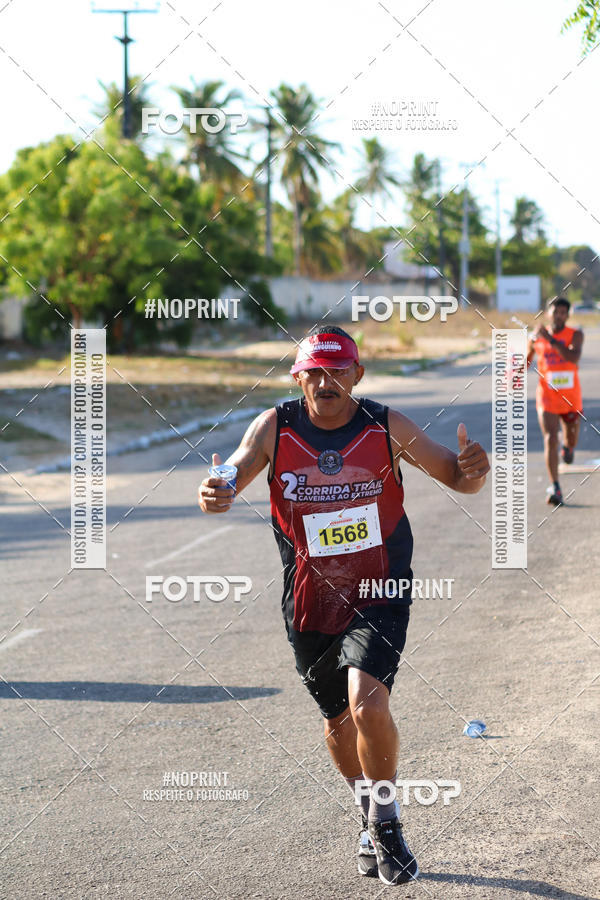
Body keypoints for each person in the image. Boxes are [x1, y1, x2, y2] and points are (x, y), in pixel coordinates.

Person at [198, 326, 490, 886]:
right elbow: (230, 472)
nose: (326, 381)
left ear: (357, 375)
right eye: (314, 371)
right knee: (336, 722)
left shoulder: (385, 426)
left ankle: (387, 826)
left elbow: (456, 475)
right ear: (298, 377)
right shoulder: (275, 427)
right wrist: (217, 488)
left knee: (366, 706)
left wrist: (474, 470)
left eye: (338, 371)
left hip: (379, 590)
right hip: (308, 599)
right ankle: (369, 812)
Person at [527, 297, 584, 505]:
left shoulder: (575, 335)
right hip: (547, 397)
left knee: (570, 440)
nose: (559, 315)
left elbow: (573, 358)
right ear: (548, 313)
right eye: (555, 311)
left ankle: (568, 449)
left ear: (567, 316)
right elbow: (526, 360)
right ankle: (555, 486)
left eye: (563, 312)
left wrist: (550, 340)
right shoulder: (536, 337)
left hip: (570, 399)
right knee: (550, 438)